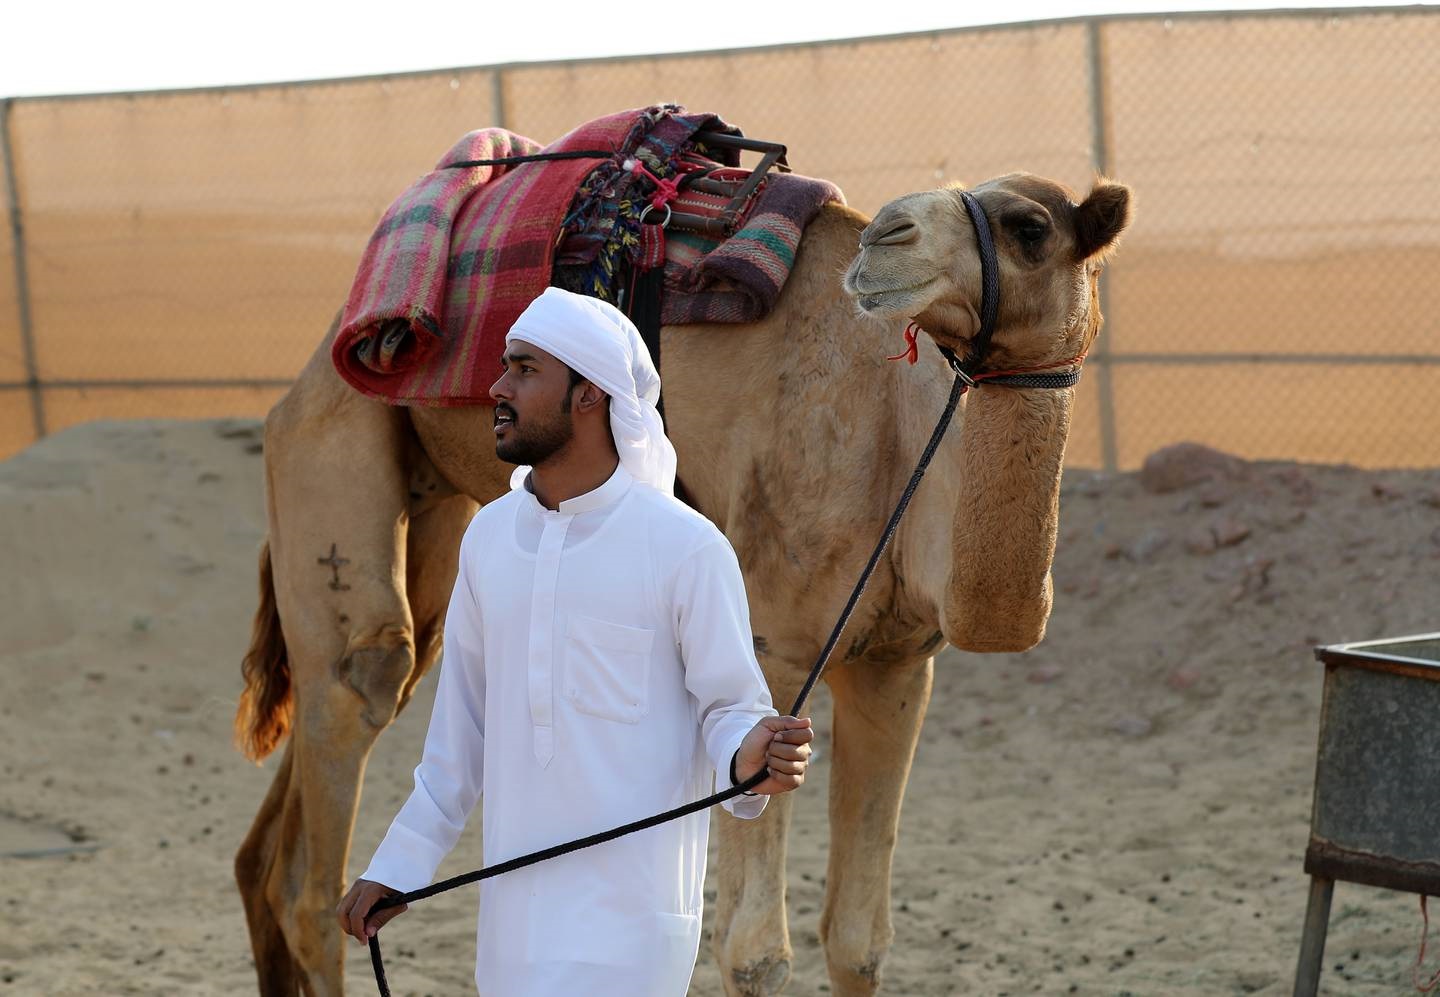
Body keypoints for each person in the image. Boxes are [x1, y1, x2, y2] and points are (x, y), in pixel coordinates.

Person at [337, 287, 813, 995]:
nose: (497, 387)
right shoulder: (491, 539)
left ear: (590, 393)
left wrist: (754, 755)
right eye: (506, 367)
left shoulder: (684, 547)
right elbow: (457, 741)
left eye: (524, 369)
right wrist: (399, 866)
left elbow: (728, 709)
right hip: (513, 930)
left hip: (635, 932)